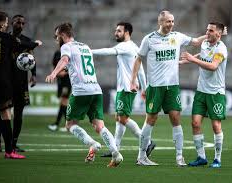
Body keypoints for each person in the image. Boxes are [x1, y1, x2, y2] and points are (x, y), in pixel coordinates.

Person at [130, 10, 208, 166]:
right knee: (150, 119)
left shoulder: (177, 37)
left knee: (176, 118)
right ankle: (141, 157)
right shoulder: (149, 39)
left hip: (172, 86)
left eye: (172, 21)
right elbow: (138, 59)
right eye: (168, 21)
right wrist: (133, 81)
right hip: (155, 87)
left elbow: (196, 42)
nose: (171, 24)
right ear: (160, 22)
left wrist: (212, 35)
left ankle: (179, 157)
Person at [45, 23, 123, 167]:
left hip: (81, 91)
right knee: (99, 125)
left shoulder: (66, 47)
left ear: (63, 35)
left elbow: (64, 60)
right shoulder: (85, 46)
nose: (56, 40)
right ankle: (116, 153)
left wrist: (54, 73)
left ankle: (92, 144)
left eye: (57, 36)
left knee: (70, 125)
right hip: (95, 89)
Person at [92, 22, 155, 158]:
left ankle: (147, 142)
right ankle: (116, 147)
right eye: (116, 30)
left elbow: (108, 51)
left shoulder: (125, 46)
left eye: (119, 31)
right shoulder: (134, 47)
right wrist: (144, 88)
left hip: (126, 88)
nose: (116, 33)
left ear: (127, 32)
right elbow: (141, 70)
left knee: (123, 118)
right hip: (126, 87)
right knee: (118, 117)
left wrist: (88, 51)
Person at [180, 22, 227, 168]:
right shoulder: (205, 43)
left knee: (215, 125)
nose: (207, 32)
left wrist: (192, 59)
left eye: (211, 30)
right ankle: (201, 157)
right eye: (207, 29)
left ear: (218, 34)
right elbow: (203, 54)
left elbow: (213, 66)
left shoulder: (221, 49)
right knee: (195, 123)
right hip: (201, 90)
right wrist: (186, 60)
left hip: (216, 93)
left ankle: (217, 159)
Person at [0, 14, 43, 153]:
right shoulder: (8, 38)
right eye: (18, 22)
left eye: (23, 23)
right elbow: (26, 46)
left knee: (18, 113)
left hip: (21, 82)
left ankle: (13, 143)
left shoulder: (25, 40)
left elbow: (31, 59)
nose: (20, 25)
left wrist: (33, 75)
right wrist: (36, 43)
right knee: (4, 111)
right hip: (8, 80)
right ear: (11, 23)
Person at [0, 11, 25, 159]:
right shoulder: (9, 39)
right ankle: (9, 151)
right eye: (6, 22)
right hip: (2, 81)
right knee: (5, 114)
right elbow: (22, 48)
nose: (7, 24)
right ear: (1, 23)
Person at [47, 49, 71, 132]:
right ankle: (66, 124)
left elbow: (70, 67)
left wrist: (63, 72)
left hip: (67, 81)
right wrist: (54, 73)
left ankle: (61, 124)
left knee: (64, 102)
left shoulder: (68, 51)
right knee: (63, 103)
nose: (57, 39)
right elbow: (53, 66)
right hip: (60, 82)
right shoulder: (57, 52)